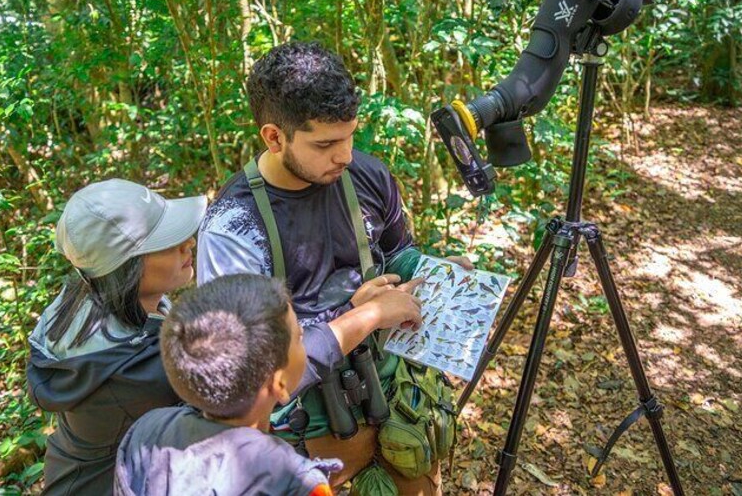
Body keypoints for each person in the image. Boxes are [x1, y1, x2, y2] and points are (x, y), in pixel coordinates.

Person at [198, 41, 472, 494]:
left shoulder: (366, 174)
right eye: (325, 143)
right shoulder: (234, 228)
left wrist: (432, 267)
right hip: (305, 433)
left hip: (399, 405)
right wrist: (357, 316)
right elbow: (252, 377)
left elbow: (394, 253)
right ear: (273, 136)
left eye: (349, 136)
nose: (343, 155)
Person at [26, 179, 207, 495]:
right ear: (128, 268)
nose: (188, 243)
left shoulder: (88, 294)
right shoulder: (135, 371)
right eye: (167, 241)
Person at [114, 274, 342, 496]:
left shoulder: (147, 431)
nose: (302, 335)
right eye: (299, 337)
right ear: (279, 384)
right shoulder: (295, 481)